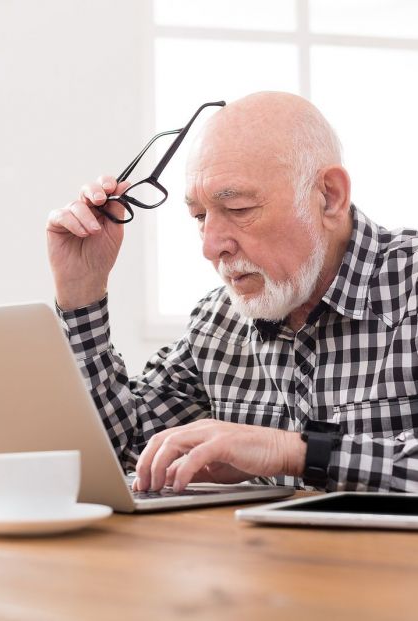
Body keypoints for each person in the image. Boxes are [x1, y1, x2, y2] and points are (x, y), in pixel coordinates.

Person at [46, 91, 418, 493]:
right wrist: (82, 290)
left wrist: (291, 451)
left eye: (239, 209)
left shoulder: (408, 287)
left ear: (329, 196)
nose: (210, 247)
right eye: (199, 217)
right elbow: (124, 448)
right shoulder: (217, 320)